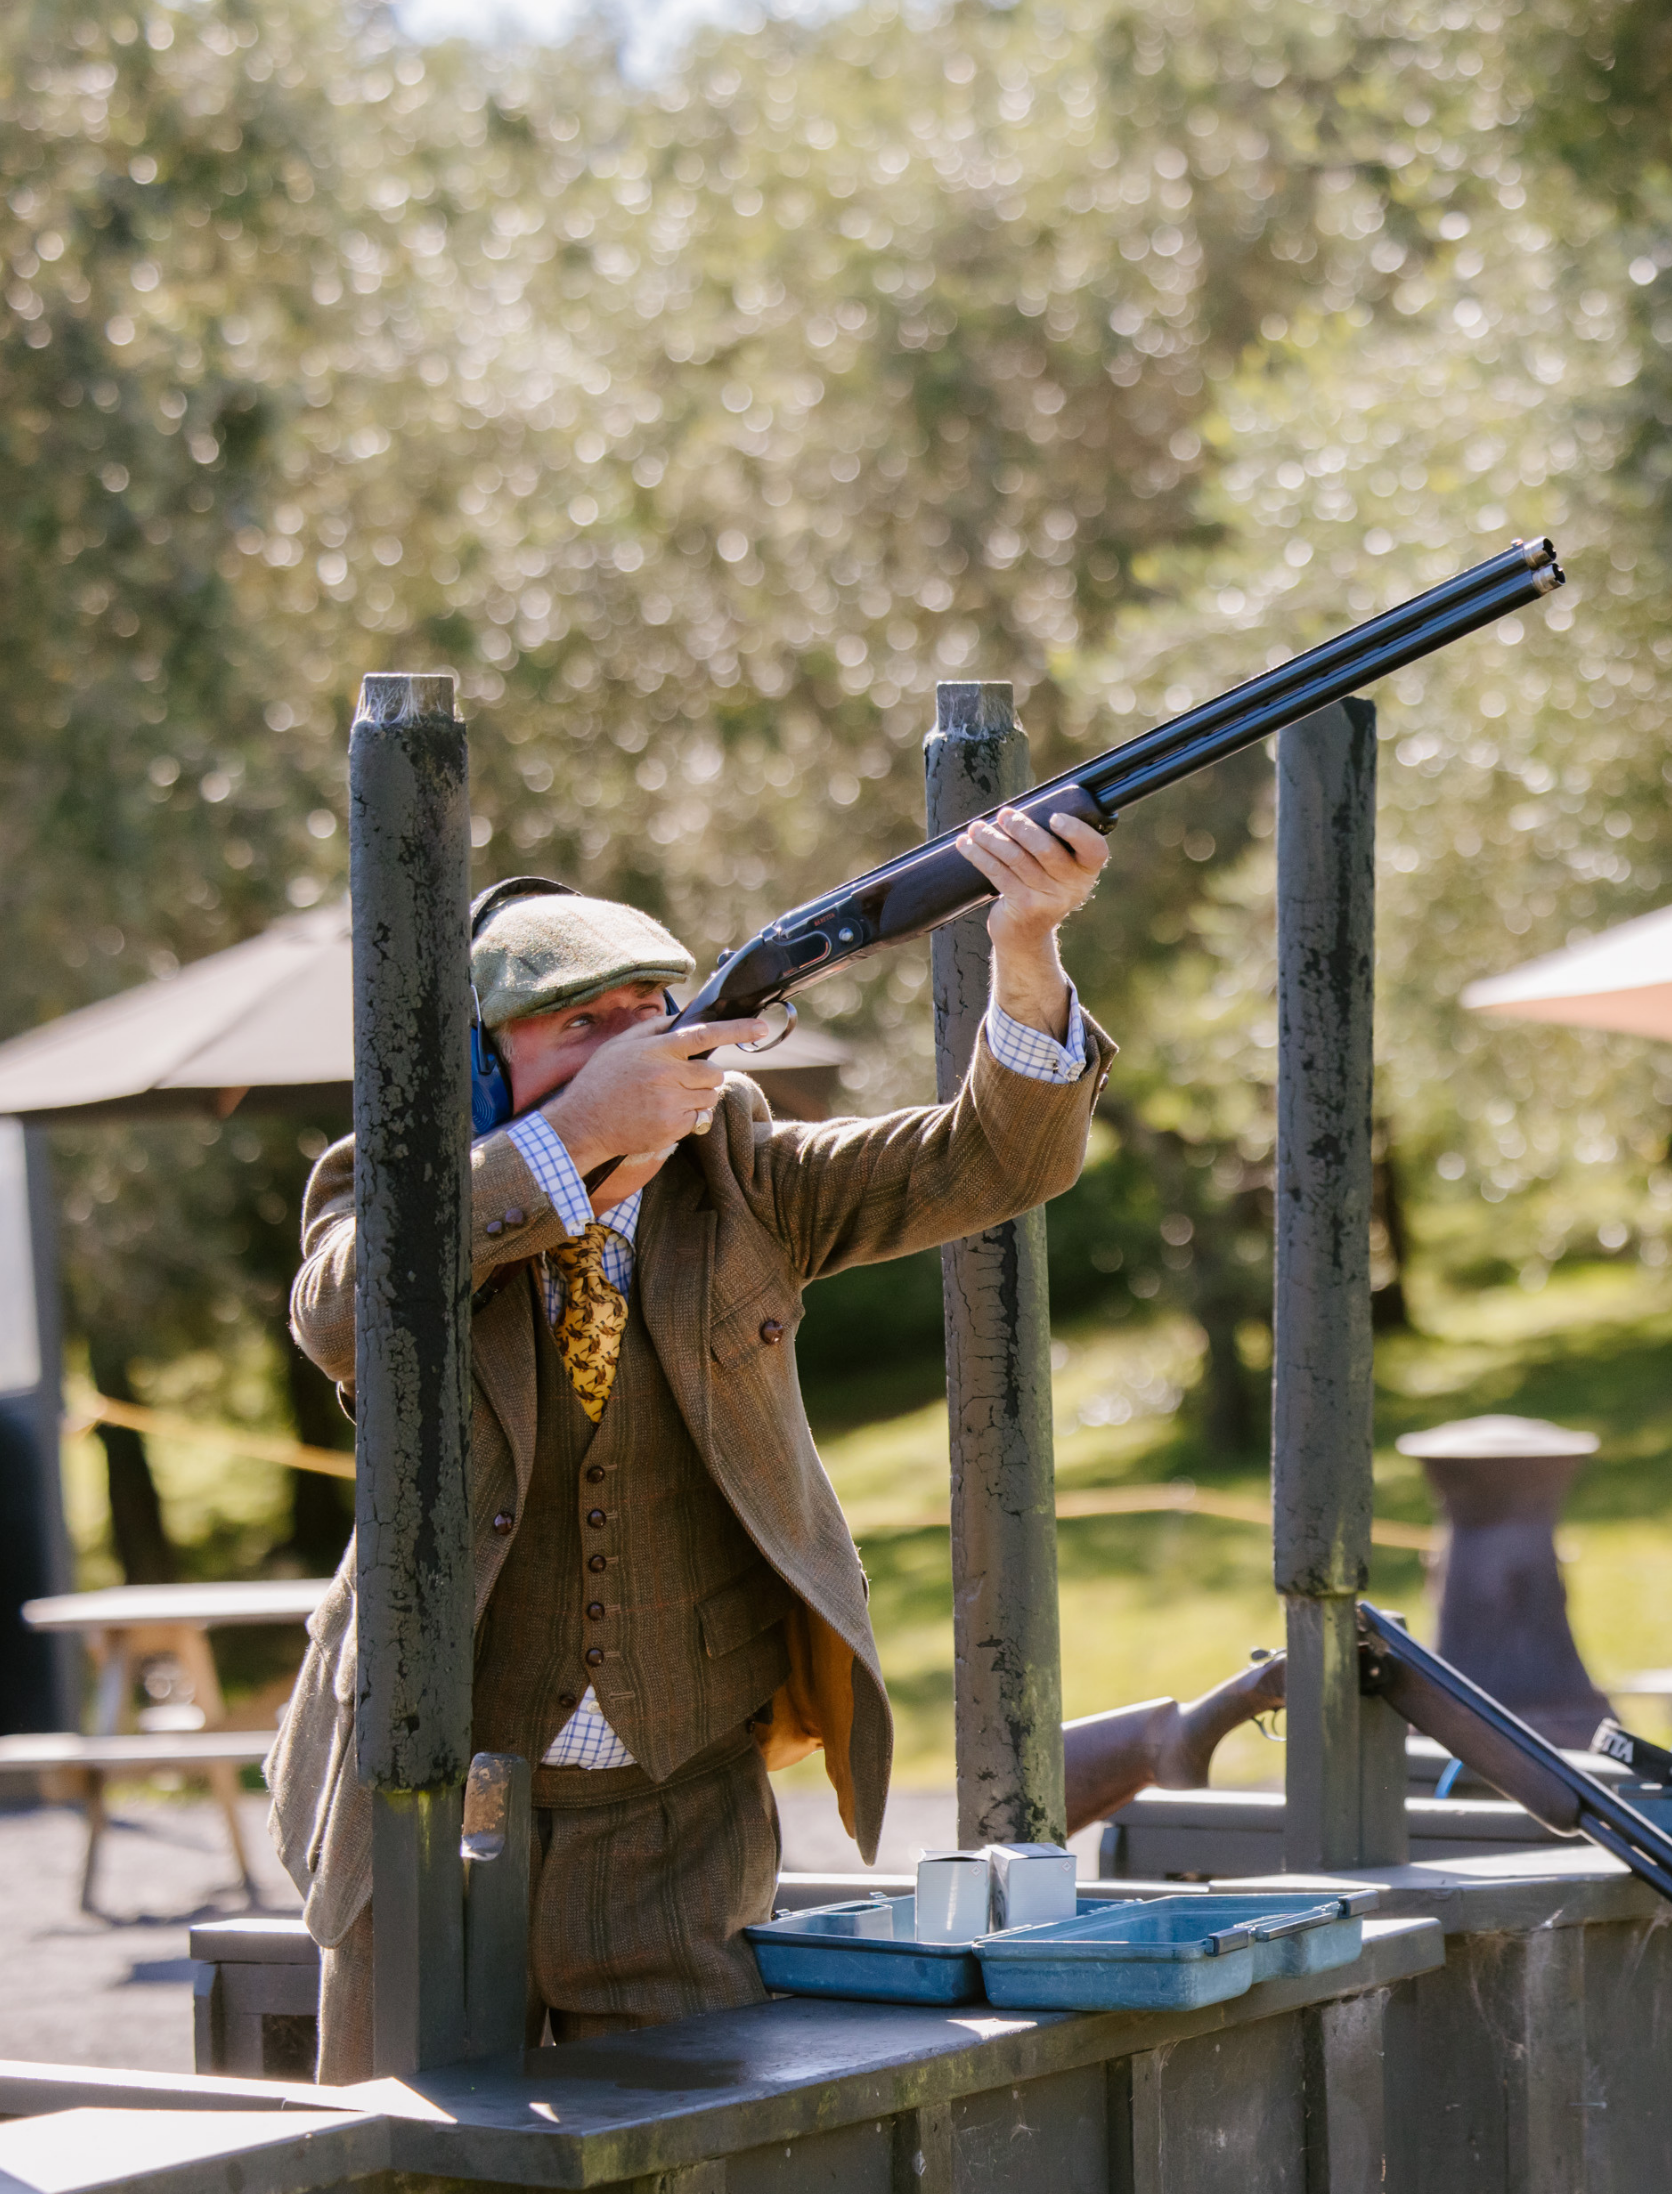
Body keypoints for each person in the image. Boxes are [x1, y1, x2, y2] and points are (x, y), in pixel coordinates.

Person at [267, 806, 1112, 2083]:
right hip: (424, 1797)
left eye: (652, 1012)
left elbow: (996, 1156)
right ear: (483, 1069)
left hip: (677, 1816)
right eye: (580, 1025)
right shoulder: (401, 1178)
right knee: (398, 2193)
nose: (638, 1048)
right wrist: (566, 1142)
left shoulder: (742, 1171)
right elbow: (342, 1311)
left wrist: (1028, 942)